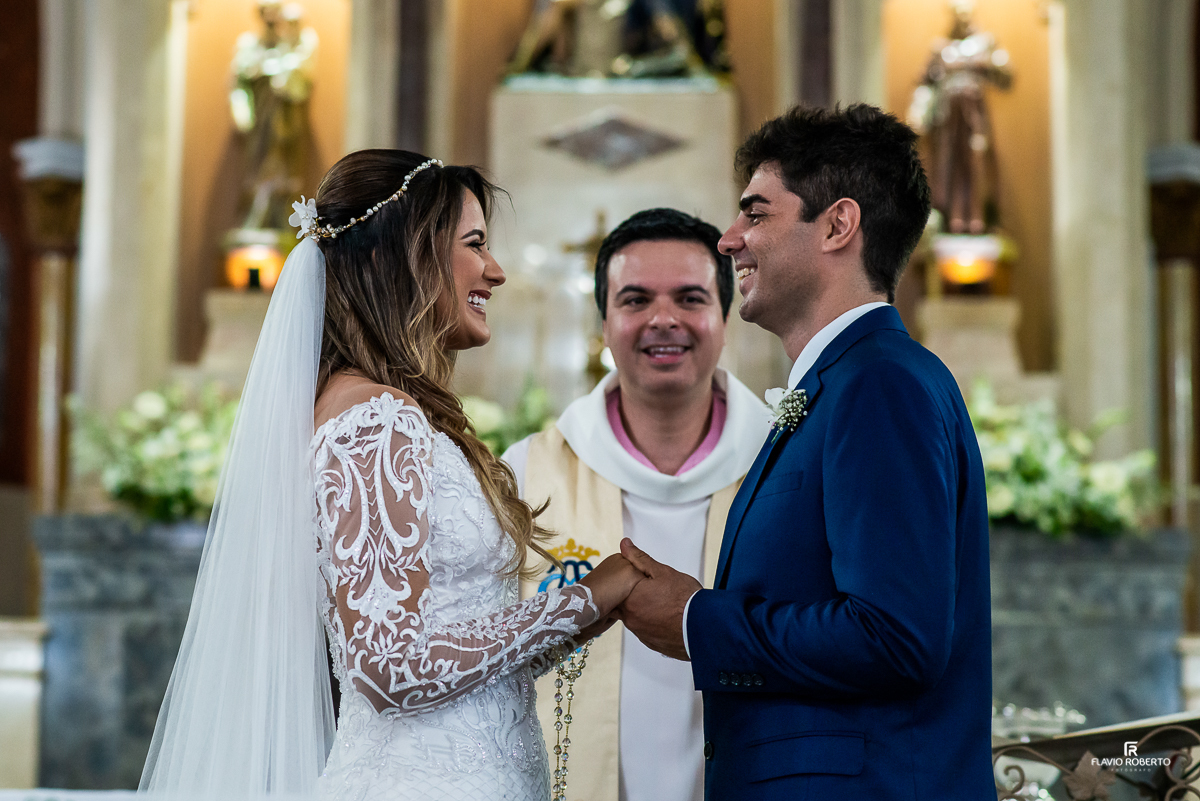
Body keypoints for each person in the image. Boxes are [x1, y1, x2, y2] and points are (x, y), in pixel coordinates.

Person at [140, 150, 643, 801]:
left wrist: (587, 614)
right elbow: (390, 667)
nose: (497, 270)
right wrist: (584, 596)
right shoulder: (377, 420)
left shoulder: (390, 414)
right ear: (398, 256)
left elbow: (464, 659)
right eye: (475, 244)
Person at [615, 105, 995, 799]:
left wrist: (700, 621)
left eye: (756, 214)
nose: (730, 240)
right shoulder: (840, 384)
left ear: (838, 225)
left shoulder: (880, 382)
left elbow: (894, 634)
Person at [502, 208, 771, 801]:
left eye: (690, 298)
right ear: (604, 323)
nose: (663, 320)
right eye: (636, 300)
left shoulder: (781, 467)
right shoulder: (528, 476)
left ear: (726, 317)